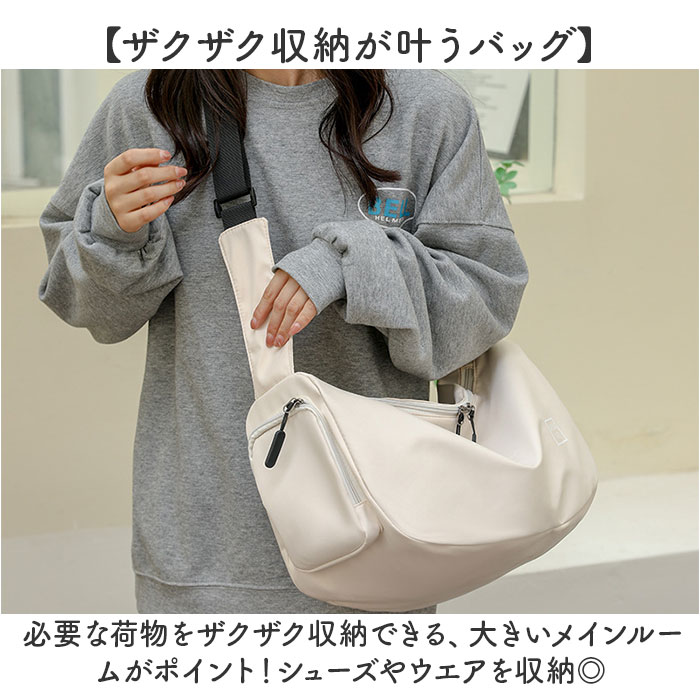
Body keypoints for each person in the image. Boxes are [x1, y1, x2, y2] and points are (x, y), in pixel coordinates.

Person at [37, 68, 529, 614]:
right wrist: (113, 230)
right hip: (203, 551)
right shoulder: (153, 103)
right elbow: (88, 308)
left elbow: (485, 301)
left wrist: (349, 262)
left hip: (382, 537)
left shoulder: (428, 108)